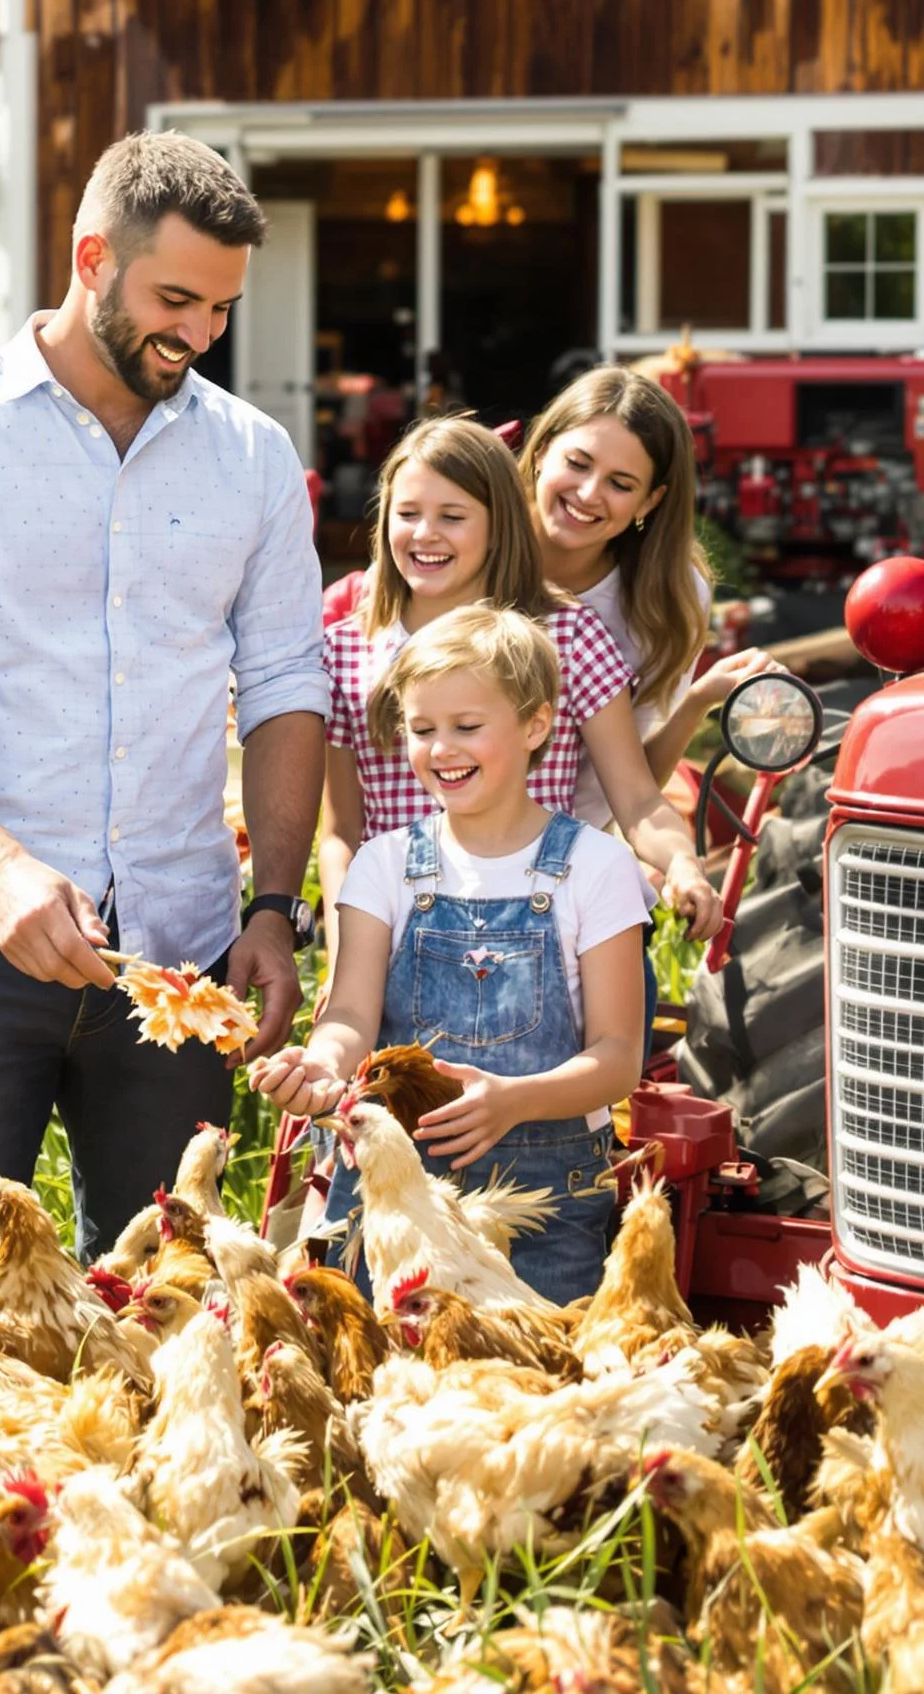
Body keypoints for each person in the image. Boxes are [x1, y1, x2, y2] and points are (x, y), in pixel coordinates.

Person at [0, 132, 328, 1272]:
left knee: (165, 1298)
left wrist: (273, 905)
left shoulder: (252, 457)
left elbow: (284, 688)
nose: (199, 334)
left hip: (179, 946)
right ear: (91, 257)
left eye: (220, 308)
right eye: (174, 300)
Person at [254, 605, 648, 1302]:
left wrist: (516, 1101)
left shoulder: (596, 866)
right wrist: (320, 1065)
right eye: (421, 729)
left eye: (467, 727)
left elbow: (618, 1057)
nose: (441, 749)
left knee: (528, 1365)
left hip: (543, 1204)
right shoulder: (385, 865)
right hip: (391, 1198)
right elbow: (350, 1014)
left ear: (536, 725)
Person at [315, 415, 722, 982]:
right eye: (407, 514)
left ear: (498, 526)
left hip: (546, 938)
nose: (425, 534)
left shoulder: (566, 637)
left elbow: (636, 799)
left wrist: (681, 863)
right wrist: (345, 964)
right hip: (396, 945)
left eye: (452, 517)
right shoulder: (345, 651)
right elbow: (341, 834)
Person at [518, 365, 779, 818]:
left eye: (620, 484)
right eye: (577, 463)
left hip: (569, 839)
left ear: (650, 501)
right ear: (542, 451)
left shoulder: (668, 597)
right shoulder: (473, 541)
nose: (588, 493)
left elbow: (631, 788)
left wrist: (697, 701)